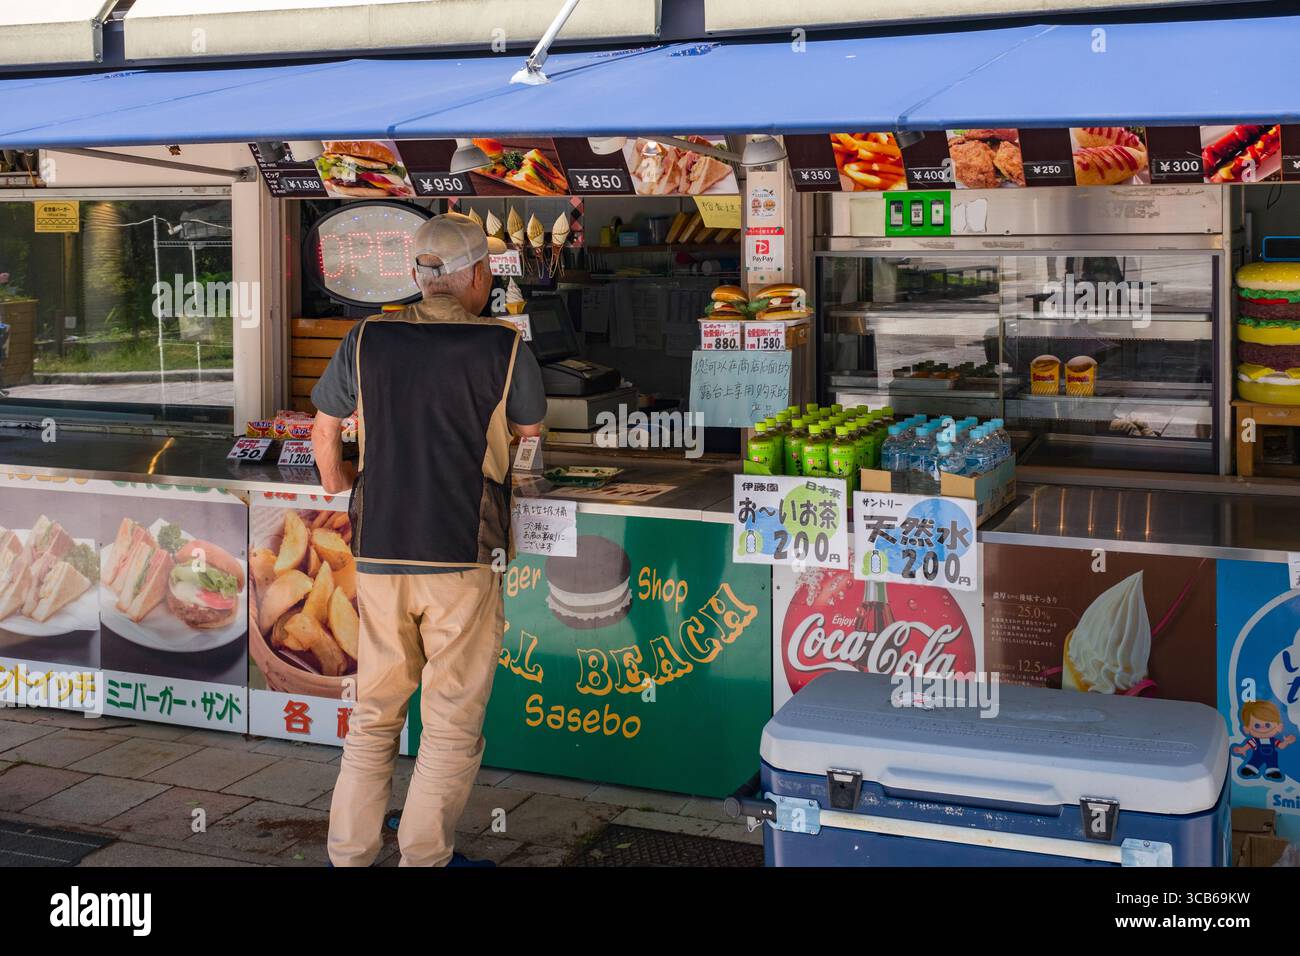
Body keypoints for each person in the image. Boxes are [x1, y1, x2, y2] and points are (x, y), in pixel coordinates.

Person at [311, 213, 547, 867]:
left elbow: (325, 433)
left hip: (382, 553)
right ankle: (423, 857)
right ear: (476, 275)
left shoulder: (367, 339)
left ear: (417, 275)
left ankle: (349, 855)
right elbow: (529, 448)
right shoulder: (505, 348)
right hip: (463, 559)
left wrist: (339, 481)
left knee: (375, 714)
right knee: (449, 722)